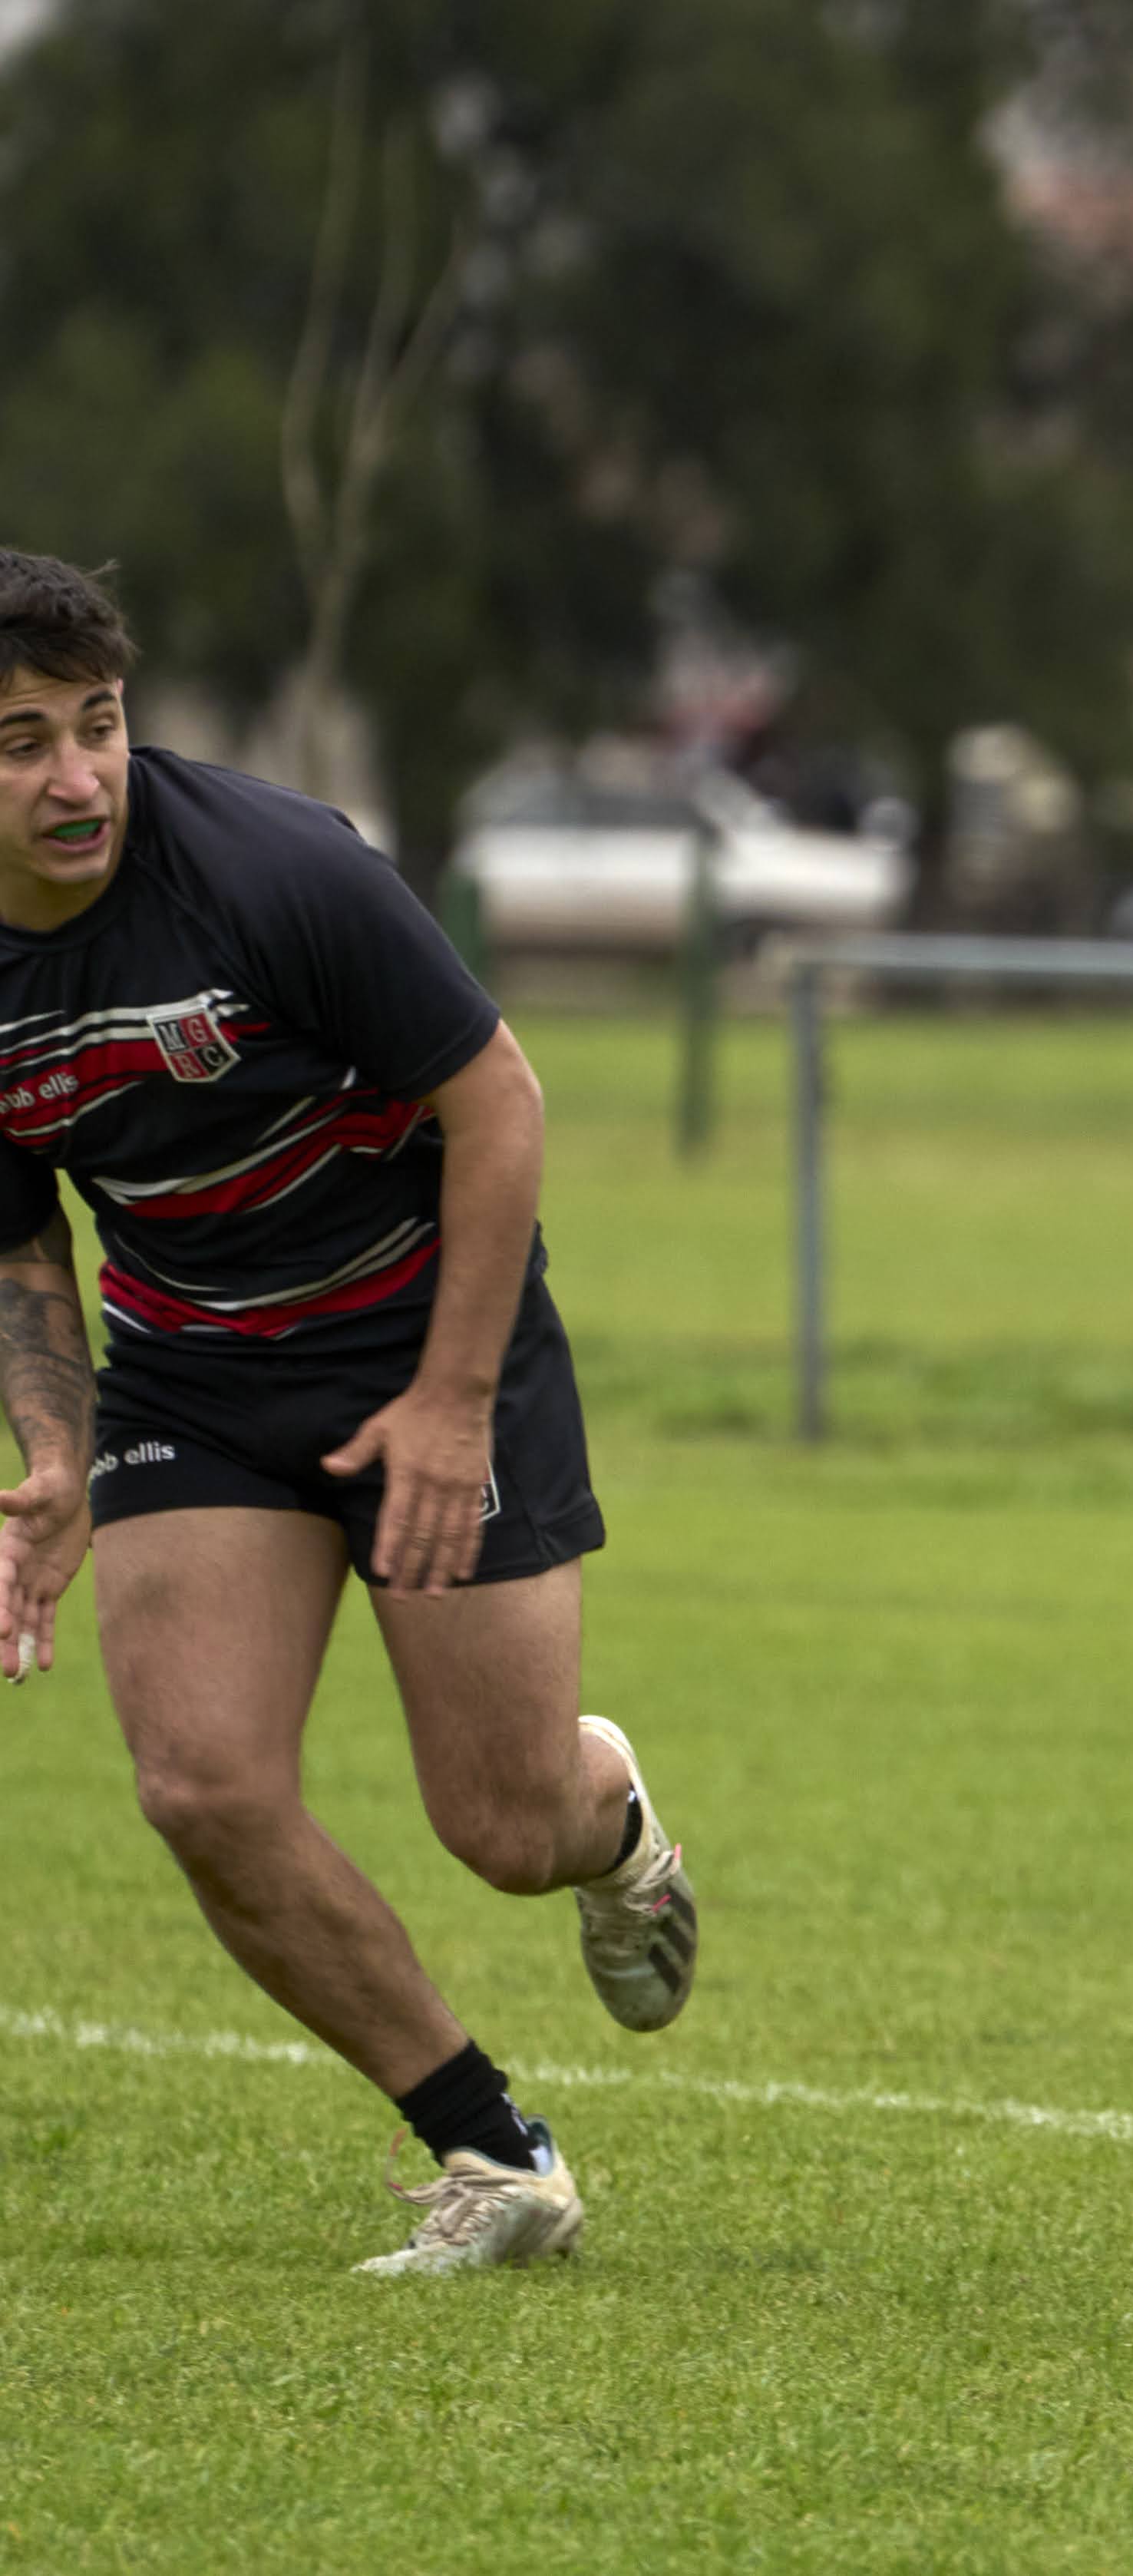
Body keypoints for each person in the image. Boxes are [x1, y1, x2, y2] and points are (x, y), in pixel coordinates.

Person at [0, 552, 695, 2275]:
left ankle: (616, 1824)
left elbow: (502, 1102)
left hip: (424, 1335)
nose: (76, 775)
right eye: (18, 743)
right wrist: (50, 1451)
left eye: (95, 725)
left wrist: (456, 1405)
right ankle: (494, 2150)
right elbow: (22, 1224)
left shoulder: (269, 865)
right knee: (200, 1783)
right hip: (194, 1369)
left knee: (502, 1824)